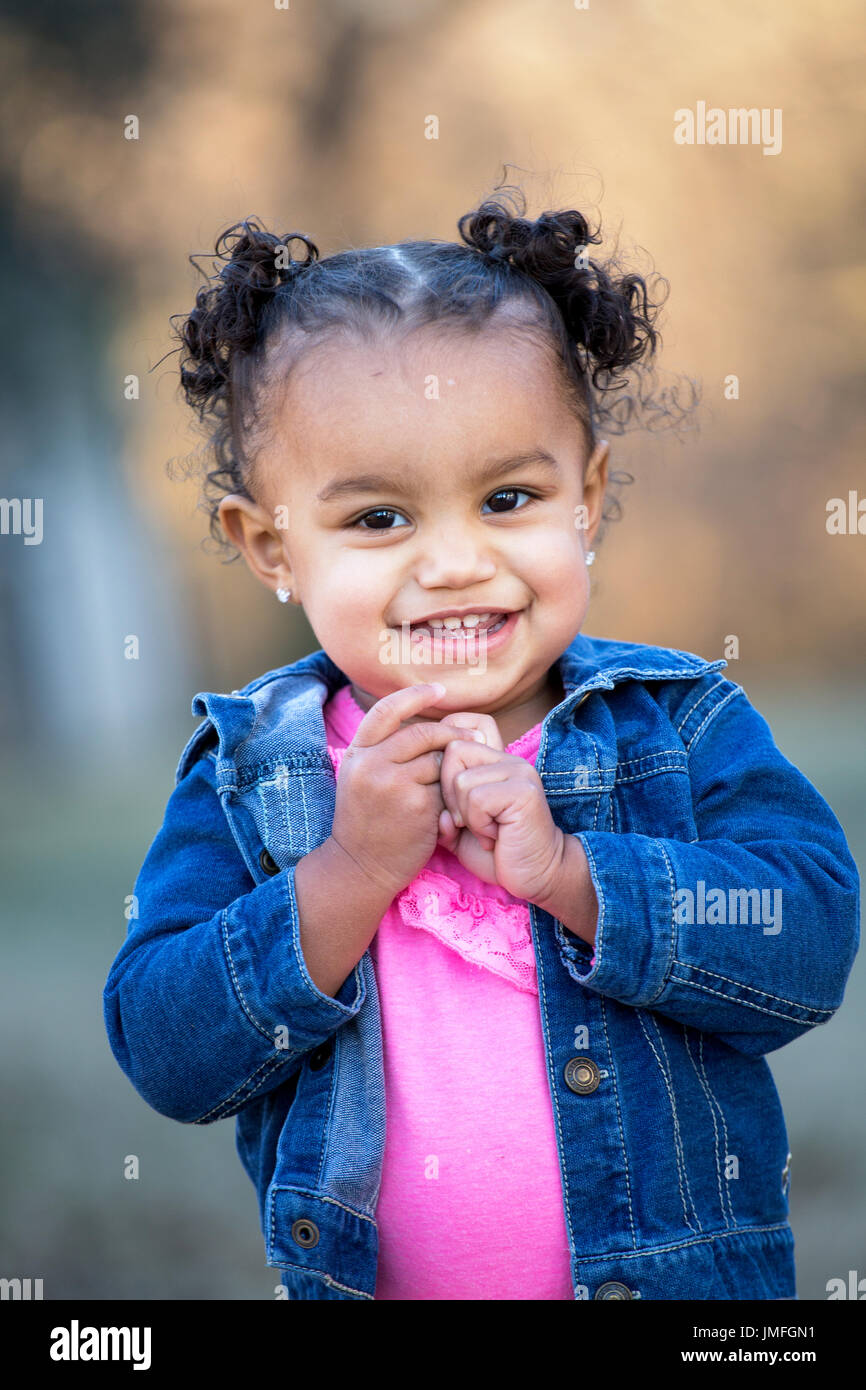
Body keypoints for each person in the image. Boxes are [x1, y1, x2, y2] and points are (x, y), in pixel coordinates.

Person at [103, 184, 860, 1300]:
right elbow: (169, 1051)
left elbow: (805, 945)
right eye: (377, 518)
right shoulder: (250, 771)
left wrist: (573, 875)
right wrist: (347, 874)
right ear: (268, 545)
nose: (455, 561)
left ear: (585, 498)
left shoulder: (676, 720)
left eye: (507, 497)